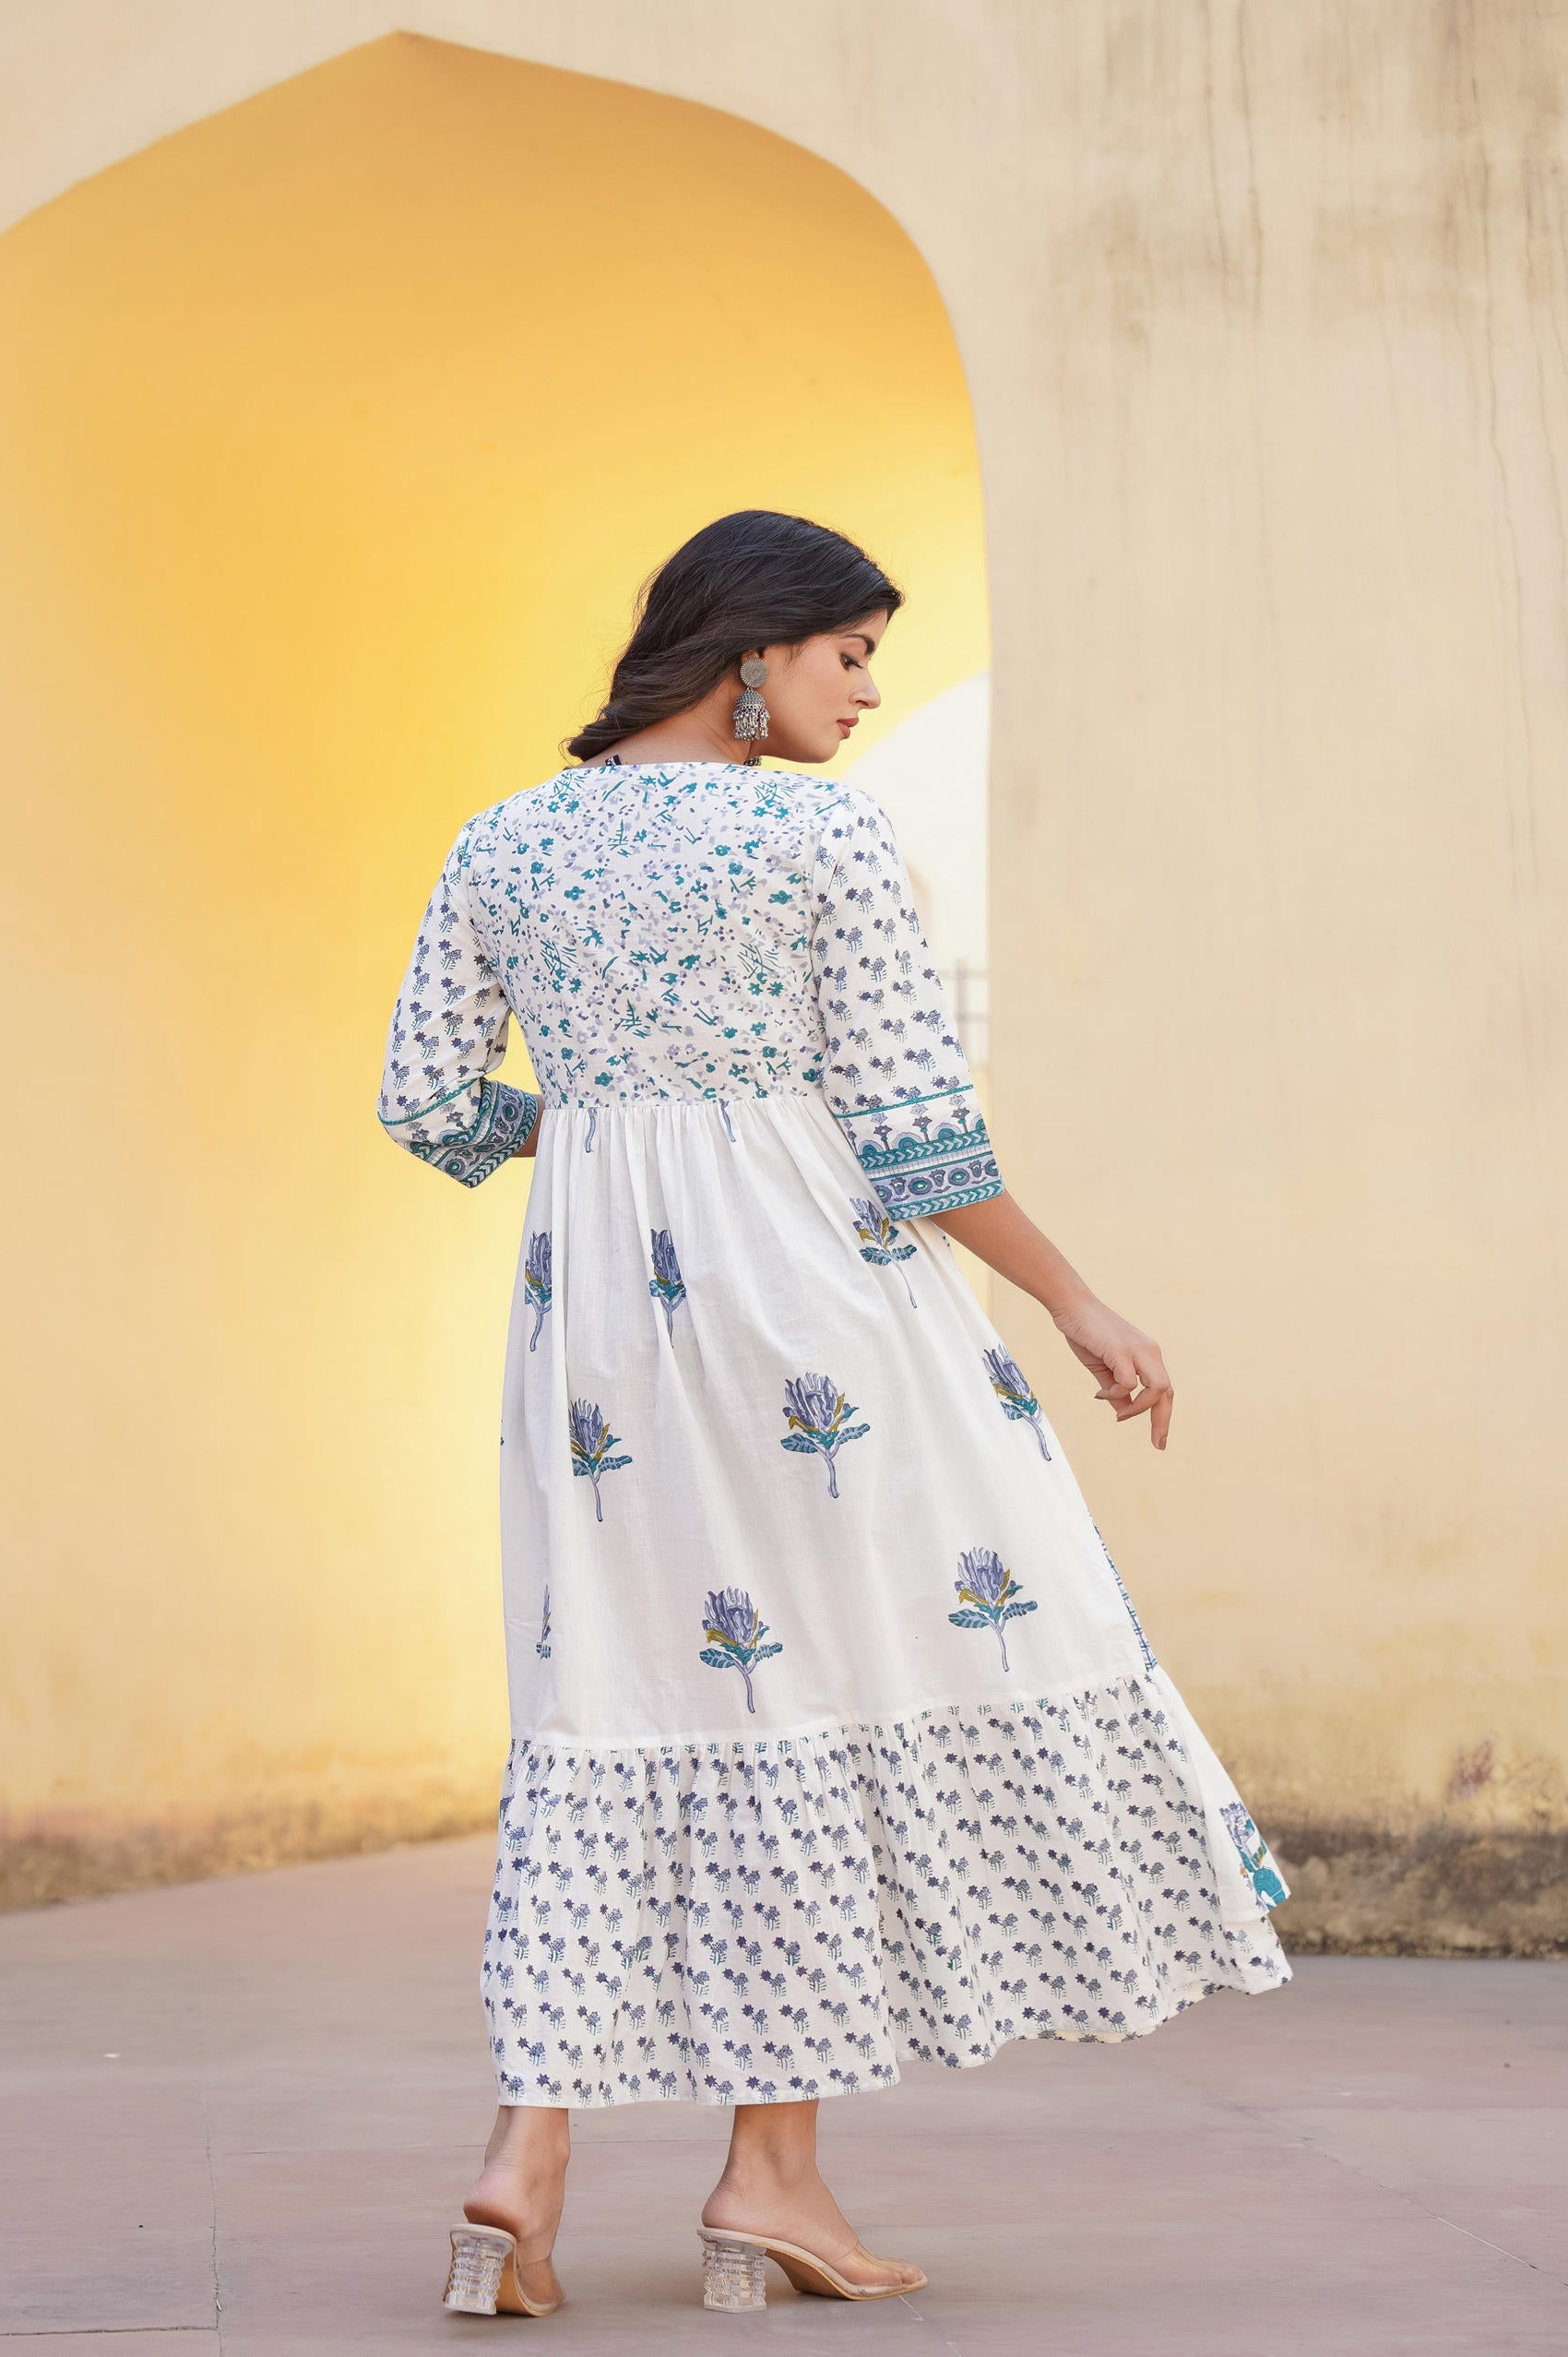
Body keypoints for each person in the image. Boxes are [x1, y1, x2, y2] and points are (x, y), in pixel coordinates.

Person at [376, 510, 1290, 2318]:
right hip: (814, 1325)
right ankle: (765, 2181)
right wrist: (1073, 1297)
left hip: (599, 1362)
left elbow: (424, 1102)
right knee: (821, 1691)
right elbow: (910, 1130)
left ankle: (523, 2164)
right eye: (846, 653)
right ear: (748, 655)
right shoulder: (813, 836)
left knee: (620, 1707)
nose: (864, 690)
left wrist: (613, 1145)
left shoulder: (506, 840)